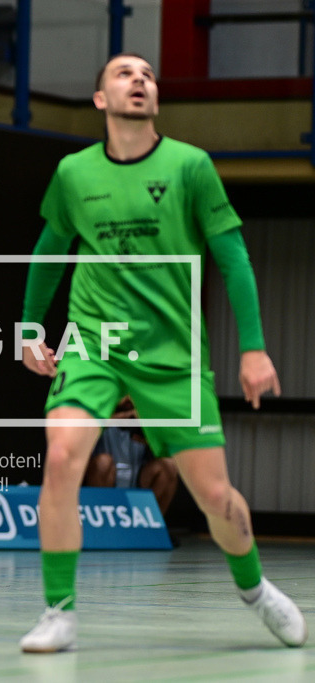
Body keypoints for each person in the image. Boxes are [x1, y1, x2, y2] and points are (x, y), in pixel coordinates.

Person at [18, 53, 306, 652]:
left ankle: (255, 591)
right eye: (124, 74)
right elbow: (49, 252)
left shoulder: (191, 167)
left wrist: (254, 349)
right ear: (100, 98)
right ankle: (59, 611)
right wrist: (27, 329)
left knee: (215, 497)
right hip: (94, 344)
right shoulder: (74, 173)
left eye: (148, 74)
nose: (139, 80)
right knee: (63, 453)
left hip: (174, 355)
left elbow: (233, 258)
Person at [83, 396, 178, 515]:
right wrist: (121, 419)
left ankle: (152, 526)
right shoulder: (101, 411)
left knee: (168, 465)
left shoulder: (144, 414)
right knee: (103, 462)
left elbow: (168, 448)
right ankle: (102, 524)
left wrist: (149, 436)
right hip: (105, 483)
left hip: (137, 482)